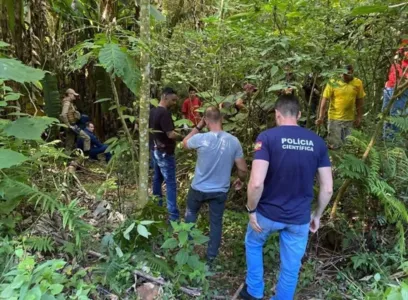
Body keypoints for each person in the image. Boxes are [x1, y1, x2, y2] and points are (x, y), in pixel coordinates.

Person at [240, 94, 333, 300]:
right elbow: (327, 188)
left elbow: (256, 182)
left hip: (267, 213)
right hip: (299, 218)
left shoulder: (267, 138)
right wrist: (317, 215)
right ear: (299, 114)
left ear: (277, 114)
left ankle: (254, 291)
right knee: (291, 267)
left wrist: (251, 210)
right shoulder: (317, 142)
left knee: (254, 244)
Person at [182, 106, 248, 264]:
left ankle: (187, 252)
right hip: (219, 191)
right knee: (216, 223)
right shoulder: (233, 141)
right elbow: (243, 169)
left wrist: (198, 126)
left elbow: (184, 143)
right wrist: (241, 180)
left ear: (206, 120)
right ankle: (210, 259)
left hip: (198, 188)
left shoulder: (201, 138)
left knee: (190, 218)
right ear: (222, 119)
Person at [316, 65, 366, 149]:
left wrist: (359, 116)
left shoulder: (358, 83)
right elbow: (324, 100)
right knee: (334, 145)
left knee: (347, 146)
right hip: (335, 119)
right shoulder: (333, 82)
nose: (345, 76)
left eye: (347, 74)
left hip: (349, 119)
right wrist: (321, 117)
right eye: (343, 74)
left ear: (352, 72)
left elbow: (359, 100)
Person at [149, 87, 180, 221]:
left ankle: (157, 208)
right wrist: (184, 137)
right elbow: (171, 134)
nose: (174, 103)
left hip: (155, 150)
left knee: (157, 179)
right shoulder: (164, 113)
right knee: (171, 183)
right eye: (172, 100)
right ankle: (173, 216)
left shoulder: (152, 111)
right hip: (164, 153)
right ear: (165, 97)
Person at [382, 42, 408, 139]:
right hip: (389, 86)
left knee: (395, 115)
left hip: (401, 89)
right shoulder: (399, 54)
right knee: (385, 113)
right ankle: (385, 137)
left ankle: (392, 141)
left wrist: (402, 85)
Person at [60, 88, 91, 153]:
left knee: (69, 142)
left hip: (72, 124)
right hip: (72, 125)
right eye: (74, 95)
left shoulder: (70, 103)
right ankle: (86, 155)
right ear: (69, 95)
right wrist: (68, 125)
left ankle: (66, 157)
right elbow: (63, 114)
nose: (75, 97)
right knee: (87, 138)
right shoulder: (67, 103)